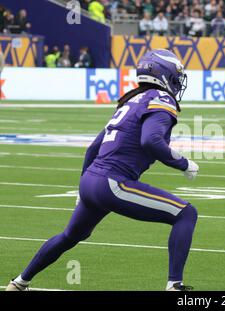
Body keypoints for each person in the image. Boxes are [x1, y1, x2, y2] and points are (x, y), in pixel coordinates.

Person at [6, 49, 199, 292]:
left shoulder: (131, 100)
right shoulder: (160, 99)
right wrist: (183, 163)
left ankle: (19, 282)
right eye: (176, 76)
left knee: (70, 236)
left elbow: (93, 148)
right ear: (164, 75)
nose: (178, 82)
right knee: (185, 214)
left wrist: (81, 187)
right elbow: (151, 141)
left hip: (92, 181)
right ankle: (174, 285)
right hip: (113, 182)